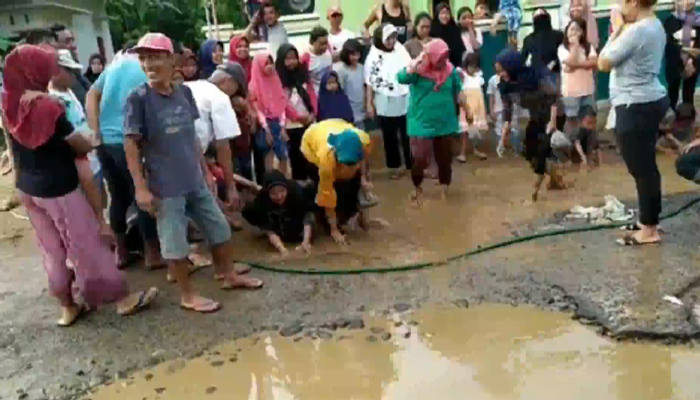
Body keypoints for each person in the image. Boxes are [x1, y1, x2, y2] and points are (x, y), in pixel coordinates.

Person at [2, 44, 158, 326]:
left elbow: (12, 147)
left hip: (28, 188)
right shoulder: (47, 106)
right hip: (59, 187)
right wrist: (91, 140)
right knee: (87, 244)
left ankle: (68, 305)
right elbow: (78, 143)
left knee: (51, 249)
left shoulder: (9, 101)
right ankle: (120, 299)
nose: (50, 71)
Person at [124, 33, 263, 313]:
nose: (149, 63)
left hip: (194, 179)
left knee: (219, 229)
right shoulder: (138, 99)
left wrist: (207, 173)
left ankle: (227, 275)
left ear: (171, 59)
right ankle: (188, 295)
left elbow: (193, 139)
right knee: (175, 244)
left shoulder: (183, 92)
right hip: (165, 186)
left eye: (155, 56)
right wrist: (140, 187)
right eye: (144, 58)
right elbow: (131, 145)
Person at [86, 42, 163, 269]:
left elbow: (92, 94)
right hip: (129, 142)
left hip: (105, 143)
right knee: (142, 194)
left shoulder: (113, 67)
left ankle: (121, 252)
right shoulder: (146, 69)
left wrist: (96, 130)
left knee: (118, 196)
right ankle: (152, 253)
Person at [598, 0, 669, 246]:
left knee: (641, 169)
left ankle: (649, 229)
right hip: (649, 99)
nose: (618, 7)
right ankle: (649, 220)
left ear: (635, 2)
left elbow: (604, 62)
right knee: (647, 166)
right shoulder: (654, 24)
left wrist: (617, 28)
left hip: (635, 104)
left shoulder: (637, 30)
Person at [49, 50, 110, 240]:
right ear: (56, 71)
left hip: (92, 158)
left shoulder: (70, 92)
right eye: (69, 71)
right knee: (88, 212)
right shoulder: (52, 100)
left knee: (101, 202)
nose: (74, 76)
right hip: (78, 160)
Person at [397, 39, 464, 203]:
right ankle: (417, 187)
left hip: (445, 122)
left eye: (445, 57)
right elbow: (400, 77)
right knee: (420, 158)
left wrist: (467, 110)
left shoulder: (450, 71)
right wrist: (416, 62)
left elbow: (458, 91)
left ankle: (444, 189)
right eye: (439, 58)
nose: (443, 61)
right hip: (421, 123)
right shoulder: (417, 72)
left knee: (445, 158)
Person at [496, 49, 562, 199]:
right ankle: (555, 179)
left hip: (552, 112)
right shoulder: (505, 85)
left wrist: (552, 122)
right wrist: (503, 137)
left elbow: (553, 97)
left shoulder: (534, 77)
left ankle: (534, 194)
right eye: (498, 72)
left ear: (512, 67)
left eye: (502, 71)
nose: (500, 75)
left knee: (540, 152)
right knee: (529, 151)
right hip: (536, 115)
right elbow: (508, 112)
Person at [184, 64, 243, 220]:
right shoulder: (219, 97)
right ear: (228, 81)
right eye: (235, 89)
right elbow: (223, 147)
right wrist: (231, 187)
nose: (233, 96)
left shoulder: (189, 85)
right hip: (186, 157)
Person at [301, 119, 373, 244]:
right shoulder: (326, 162)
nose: (349, 167)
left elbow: (364, 159)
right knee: (329, 187)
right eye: (346, 164)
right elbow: (327, 196)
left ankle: (353, 214)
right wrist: (334, 231)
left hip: (336, 125)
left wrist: (363, 179)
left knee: (351, 182)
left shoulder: (364, 140)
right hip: (311, 142)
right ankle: (327, 222)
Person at [365, 24, 412, 179]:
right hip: (385, 100)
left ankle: (411, 163)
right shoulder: (373, 56)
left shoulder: (400, 50)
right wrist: (369, 103)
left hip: (404, 97)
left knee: (408, 133)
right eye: (388, 38)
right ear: (380, 39)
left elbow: (410, 68)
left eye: (393, 37)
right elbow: (370, 82)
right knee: (390, 135)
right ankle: (394, 166)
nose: (392, 41)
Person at [242, 170, 316, 255]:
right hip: (277, 217)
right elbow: (268, 228)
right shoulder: (262, 200)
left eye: (282, 191)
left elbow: (308, 214)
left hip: (295, 215)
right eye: (273, 193)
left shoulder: (295, 189)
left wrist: (306, 241)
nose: (279, 196)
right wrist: (281, 248)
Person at [276, 44, 317, 180]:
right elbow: (282, 103)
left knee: (311, 155)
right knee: (296, 156)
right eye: (287, 59)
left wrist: (313, 113)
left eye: (294, 58)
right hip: (292, 125)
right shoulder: (278, 79)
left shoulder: (303, 74)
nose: (292, 62)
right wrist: (297, 117)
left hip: (309, 121)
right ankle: (300, 185)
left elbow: (311, 94)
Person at [250, 52, 290, 176]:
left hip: (279, 123)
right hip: (264, 126)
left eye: (271, 63)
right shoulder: (253, 86)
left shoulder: (276, 81)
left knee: (283, 155)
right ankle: (271, 184)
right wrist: (266, 130)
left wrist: (283, 127)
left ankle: (285, 183)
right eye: (265, 64)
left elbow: (281, 105)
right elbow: (257, 109)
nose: (269, 66)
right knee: (268, 156)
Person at [558, 18, 598, 135]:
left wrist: (575, 65)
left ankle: (589, 148)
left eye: (577, 29)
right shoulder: (562, 48)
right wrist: (575, 46)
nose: (574, 32)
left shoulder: (588, 47)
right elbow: (568, 67)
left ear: (582, 32)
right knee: (572, 123)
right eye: (571, 29)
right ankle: (572, 149)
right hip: (571, 93)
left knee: (589, 121)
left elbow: (594, 63)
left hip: (587, 91)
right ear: (566, 31)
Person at [49, 25, 91, 108]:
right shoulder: (57, 87)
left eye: (72, 40)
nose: (73, 46)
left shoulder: (77, 76)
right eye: (67, 41)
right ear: (54, 44)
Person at [457, 52, 488, 162]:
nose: (473, 69)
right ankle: (462, 153)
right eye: (471, 66)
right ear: (466, 65)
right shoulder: (461, 75)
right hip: (466, 106)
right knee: (464, 131)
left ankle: (476, 149)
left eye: (475, 67)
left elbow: (480, 93)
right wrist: (464, 107)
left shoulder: (479, 77)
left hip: (478, 107)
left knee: (476, 130)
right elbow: (459, 92)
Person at [488, 62, 522, 157]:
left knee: (514, 128)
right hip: (499, 108)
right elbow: (491, 96)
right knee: (500, 128)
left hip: (513, 108)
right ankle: (501, 148)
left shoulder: (513, 79)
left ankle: (516, 149)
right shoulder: (493, 80)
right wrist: (491, 110)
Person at [333, 39, 367, 129]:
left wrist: (366, 103)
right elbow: (340, 92)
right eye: (352, 55)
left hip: (360, 108)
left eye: (358, 54)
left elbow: (364, 87)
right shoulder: (342, 70)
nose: (355, 57)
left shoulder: (362, 68)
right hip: (348, 109)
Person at [521, 9, 564, 76]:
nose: (540, 19)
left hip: (556, 74)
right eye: (536, 17)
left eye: (542, 15)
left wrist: (553, 63)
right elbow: (522, 59)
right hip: (535, 76)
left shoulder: (558, 35)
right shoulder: (528, 39)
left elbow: (564, 54)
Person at [430, 3, 466, 69]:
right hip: (438, 66)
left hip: (455, 66)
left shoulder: (454, 28)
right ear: (437, 15)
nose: (445, 16)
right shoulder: (433, 30)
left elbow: (460, 48)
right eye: (442, 13)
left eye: (447, 13)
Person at [302, 26, 333, 95]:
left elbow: (330, 74)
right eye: (321, 44)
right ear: (313, 42)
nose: (324, 46)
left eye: (326, 43)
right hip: (312, 96)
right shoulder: (306, 56)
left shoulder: (328, 53)